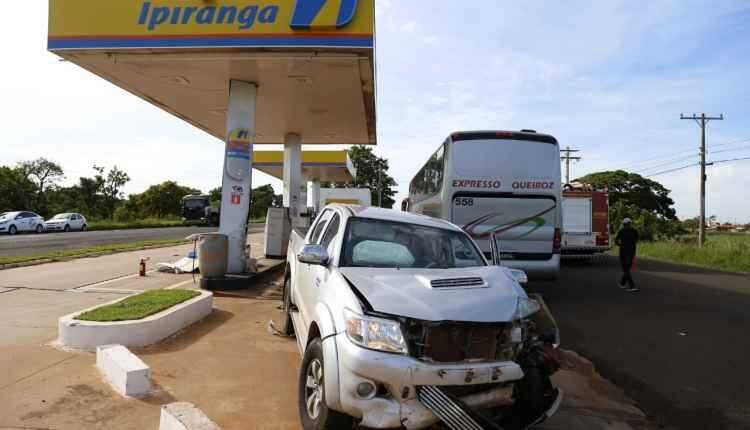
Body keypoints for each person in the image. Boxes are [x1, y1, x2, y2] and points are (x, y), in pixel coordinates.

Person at [615, 218, 639, 292]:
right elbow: (637, 239)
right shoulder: (634, 231)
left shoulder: (621, 231)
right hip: (632, 252)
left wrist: (620, 244)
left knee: (625, 268)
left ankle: (632, 286)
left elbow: (616, 241)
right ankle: (622, 283)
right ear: (630, 223)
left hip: (623, 252)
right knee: (627, 268)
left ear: (624, 224)